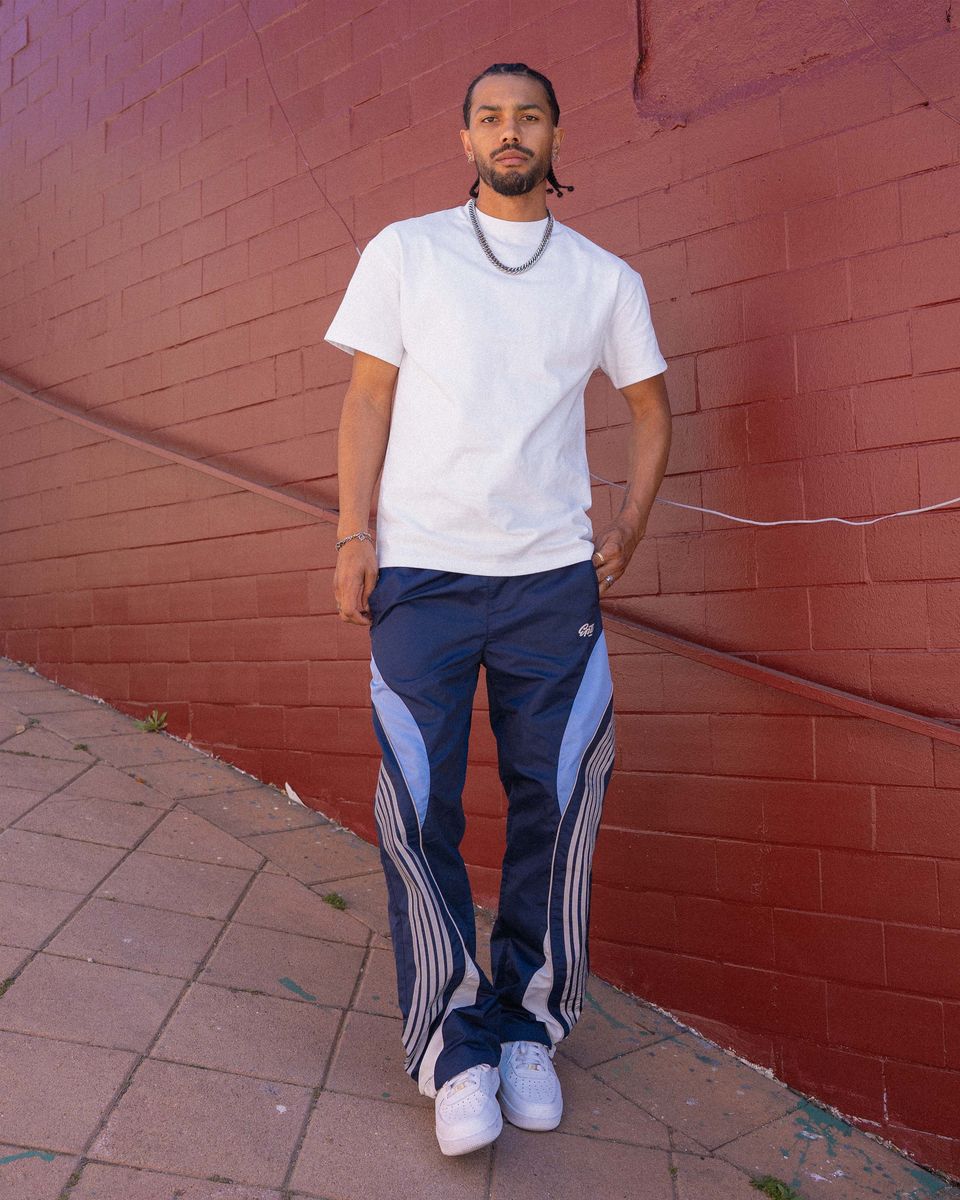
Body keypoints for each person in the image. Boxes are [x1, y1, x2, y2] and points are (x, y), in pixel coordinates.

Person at [325, 62, 671, 1156]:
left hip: (550, 588)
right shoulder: (406, 250)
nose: (508, 131)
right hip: (421, 577)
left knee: (558, 808)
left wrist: (629, 530)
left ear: (556, 132)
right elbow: (367, 396)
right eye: (489, 117)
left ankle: (528, 1023)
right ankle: (450, 1045)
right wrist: (351, 533)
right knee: (415, 811)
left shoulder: (604, 280)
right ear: (464, 139)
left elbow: (653, 411)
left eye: (527, 115)